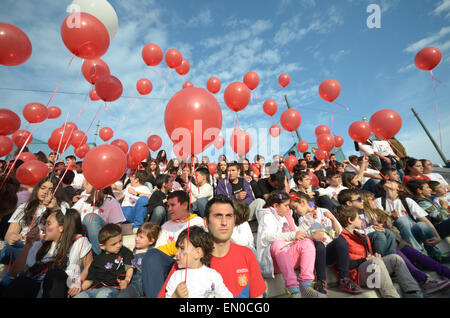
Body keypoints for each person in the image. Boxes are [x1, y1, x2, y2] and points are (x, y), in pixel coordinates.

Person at [155, 195, 266, 298]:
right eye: (218, 216)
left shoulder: (246, 254)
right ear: (206, 222)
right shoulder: (190, 258)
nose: (224, 222)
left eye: (229, 216)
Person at [360, 190, 450, 295]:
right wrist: (375, 229)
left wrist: (392, 220)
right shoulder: (362, 216)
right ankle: (424, 280)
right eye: (372, 199)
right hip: (381, 250)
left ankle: (446, 272)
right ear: (366, 202)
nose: (375, 201)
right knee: (398, 254)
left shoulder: (378, 212)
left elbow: (392, 230)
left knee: (414, 253)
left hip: (395, 242)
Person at [335, 205, 423, 298]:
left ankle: (413, 293)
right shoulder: (340, 239)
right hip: (355, 276)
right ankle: (392, 296)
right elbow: (343, 266)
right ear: (350, 220)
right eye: (358, 218)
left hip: (369, 270)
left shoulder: (360, 235)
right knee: (375, 261)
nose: (361, 220)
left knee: (395, 258)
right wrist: (365, 259)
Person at [5, 208, 93, 298]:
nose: (43, 228)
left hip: (61, 288)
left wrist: (79, 284)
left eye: (48, 224)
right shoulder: (39, 245)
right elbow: (14, 274)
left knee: (55, 275)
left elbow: (90, 266)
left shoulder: (79, 241)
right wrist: (28, 244)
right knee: (22, 282)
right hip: (37, 288)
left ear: (61, 228)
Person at [256, 191, 325, 298]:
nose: (289, 209)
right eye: (286, 206)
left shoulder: (285, 216)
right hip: (272, 262)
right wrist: (292, 235)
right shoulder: (267, 216)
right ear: (275, 206)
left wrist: (309, 219)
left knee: (306, 242)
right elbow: (267, 237)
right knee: (278, 244)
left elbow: (297, 233)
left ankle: (306, 285)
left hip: (286, 258)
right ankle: (293, 289)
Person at [376, 180, 450, 263]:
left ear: (399, 188)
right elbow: (380, 221)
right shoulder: (379, 201)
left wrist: (437, 236)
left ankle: (436, 255)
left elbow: (423, 219)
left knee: (422, 225)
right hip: (396, 233)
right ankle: (420, 256)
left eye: (392, 182)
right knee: (402, 220)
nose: (388, 181)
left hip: (412, 230)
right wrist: (391, 218)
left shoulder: (407, 200)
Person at [289, 191, 344, 296]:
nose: (295, 211)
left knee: (340, 240)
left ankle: (344, 278)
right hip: (318, 252)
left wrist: (332, 219)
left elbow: (337, 232)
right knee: (318, 244)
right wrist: (312, 237)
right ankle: (321, 281)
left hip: (330, 250)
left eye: (295, 207)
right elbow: (301, 239)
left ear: (303, 202)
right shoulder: (301, 220)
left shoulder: (324, 211)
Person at [2, 177, 59, 266]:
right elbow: (9, 234)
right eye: (42, 188)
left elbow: (66, 226)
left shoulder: (61, 207)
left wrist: (55, 208)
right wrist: (12, 237)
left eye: (50, 190)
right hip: (20, 246)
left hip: (42, 252)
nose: (45, 192)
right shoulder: (25, 207)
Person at [166, 226, 233, 298]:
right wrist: (175, 296)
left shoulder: (213, 276)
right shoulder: (176, 276)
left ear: (197, 253)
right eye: (177, 249)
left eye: (182, 248)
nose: (176, 253)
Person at [75, 224, 134, 298]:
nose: (119, 245)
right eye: (114, 244)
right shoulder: (97, 260)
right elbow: (89, 280)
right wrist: (79, 289)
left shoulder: (125, 252)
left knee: (102, 295)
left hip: (111, 289)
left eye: (120, 241)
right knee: (79, 296)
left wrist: (126, 280)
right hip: (93, 289)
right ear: (102, 246)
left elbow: (129, 268)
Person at [73, 181, 126, 256]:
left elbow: (117, 227)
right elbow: (69, 214)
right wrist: (59, 207)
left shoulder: (110, 201)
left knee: (90, 218)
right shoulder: (84, 200)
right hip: (83, 237)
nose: (84, 185)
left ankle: (102, 256)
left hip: (103, 237)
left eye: (87, 183)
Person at [339, 189, 397, 257]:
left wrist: (377, 227)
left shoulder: (363, 212)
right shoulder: (348, 215)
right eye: (359, 199)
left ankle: (391, 258)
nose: (362, 201)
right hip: (359, 239)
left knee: (389, 233)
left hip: (367, 234)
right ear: (349, 203)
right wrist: (372, 229)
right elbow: (355, 232)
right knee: (378, 235)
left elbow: (371, 225)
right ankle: (381, 259)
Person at [118, 222, 161, 298]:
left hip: (148, 287)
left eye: (141, 237)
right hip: (133, 285)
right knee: (124, 295)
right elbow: (126, 267)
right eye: (137, 235)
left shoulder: (153, 252)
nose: (136, 238)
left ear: (151, 241)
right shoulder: (131, 250)